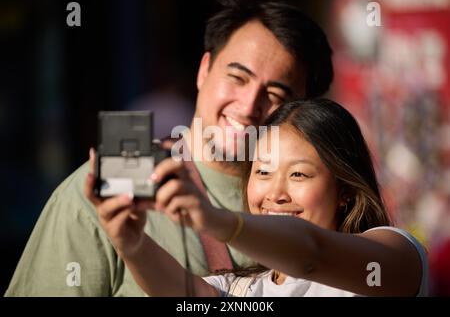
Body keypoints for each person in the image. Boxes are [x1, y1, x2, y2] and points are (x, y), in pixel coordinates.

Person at [5, 0, 333, 296]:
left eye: (275, 95)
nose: (248, 106)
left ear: (306, 111)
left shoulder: (315, 207)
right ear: (204, 70)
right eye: (237, 77)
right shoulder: (113, 191)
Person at [90, 99, 428, 297]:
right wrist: (130, 242)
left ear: (343, 191)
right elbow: (183, 294)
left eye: (299, 174)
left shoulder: (391, 256)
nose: (275, 195)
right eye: (263, 172)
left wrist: (215, 219)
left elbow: (313, 254)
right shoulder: (244, 291)